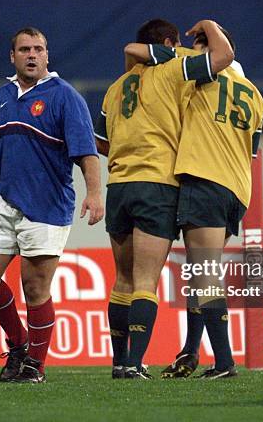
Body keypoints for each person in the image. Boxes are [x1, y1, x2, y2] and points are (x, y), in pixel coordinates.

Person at [0, 27, 103, 384]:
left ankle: (34, 367)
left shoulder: (64, 97)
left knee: (35, 287)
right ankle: (19, 342)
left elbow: (86, 152)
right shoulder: (2, 97)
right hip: (5, 203)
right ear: (12, 56)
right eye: (24, 49)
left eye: (38, 49)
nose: (32, 55)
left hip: (47, 206)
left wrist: (94, 193)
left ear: (47, 55)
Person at [94, 19, 233, 379]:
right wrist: (210, 27)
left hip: (119, 185)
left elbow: (99, 140)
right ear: (169, 44)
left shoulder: (115, 88)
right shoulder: (173, 68)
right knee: (145, 281)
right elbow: (223, 57)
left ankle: (118, 361)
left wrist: (127, 149)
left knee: (122, 280)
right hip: (157, 183)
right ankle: (135, 363)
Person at [125, 25, 263, 379]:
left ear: (206, 49)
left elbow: (138, 50)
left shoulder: (201, 69)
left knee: (204, 276)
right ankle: (190, 350)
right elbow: (253, 151)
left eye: (195, 44)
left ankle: (224, 362)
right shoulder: (255, 94)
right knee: (203, 272)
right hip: (237, 190)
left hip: (204, 179)